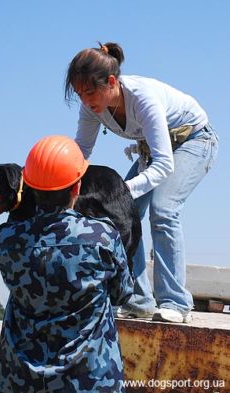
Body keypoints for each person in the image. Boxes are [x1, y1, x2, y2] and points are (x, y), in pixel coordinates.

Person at [65, 42, 218, 323]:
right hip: (155, 151)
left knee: (163, 209)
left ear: (111, 82)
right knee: (119, 212)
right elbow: (81, 153)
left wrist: (123, 190)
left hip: (194, 142)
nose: (86, 101)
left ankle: (175, 301)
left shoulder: (143, 98)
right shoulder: (91, 109)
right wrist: (59, 181)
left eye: (89, 92)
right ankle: (138, 299)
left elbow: (164, 165)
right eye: (79, 94)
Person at [0, 135, 133, 393]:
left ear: (30, 188)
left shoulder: (6, 240)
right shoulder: (102, 238)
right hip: (91, 381)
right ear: (77, 188)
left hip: (21, 382)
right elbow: (122, 294)